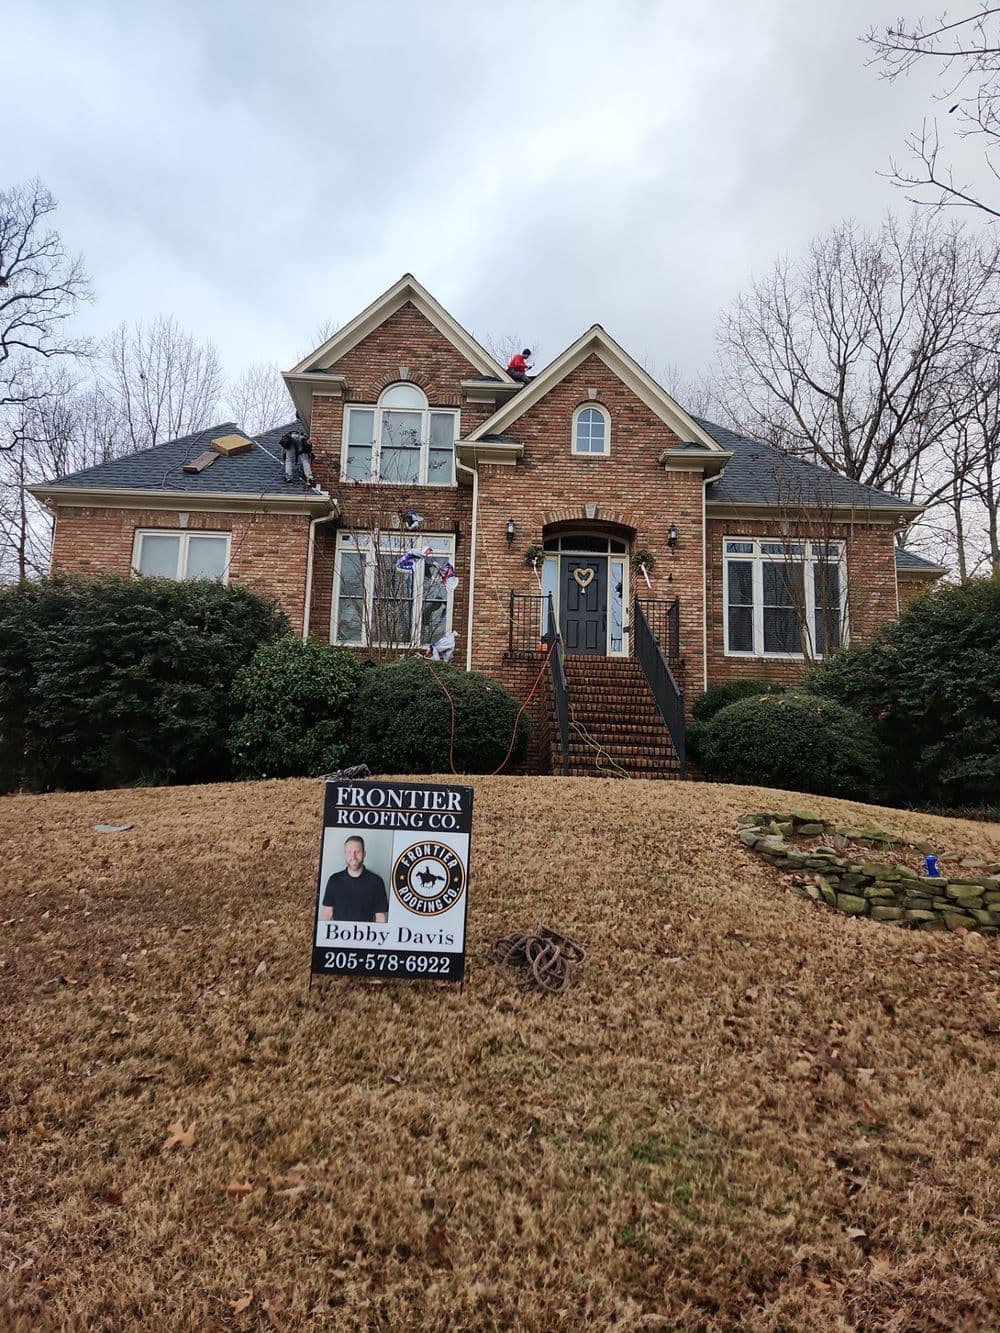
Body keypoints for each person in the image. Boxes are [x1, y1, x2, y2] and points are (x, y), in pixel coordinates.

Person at [320, 835, 389, 922]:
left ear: (364, 854)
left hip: (366, 934)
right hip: (338, 934)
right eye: (349, 852)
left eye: (357, 852)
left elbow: (381, 917)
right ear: (345, 854)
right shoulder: (334, 880)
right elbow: (327, 913)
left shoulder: (376, 882)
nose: (353, 856)